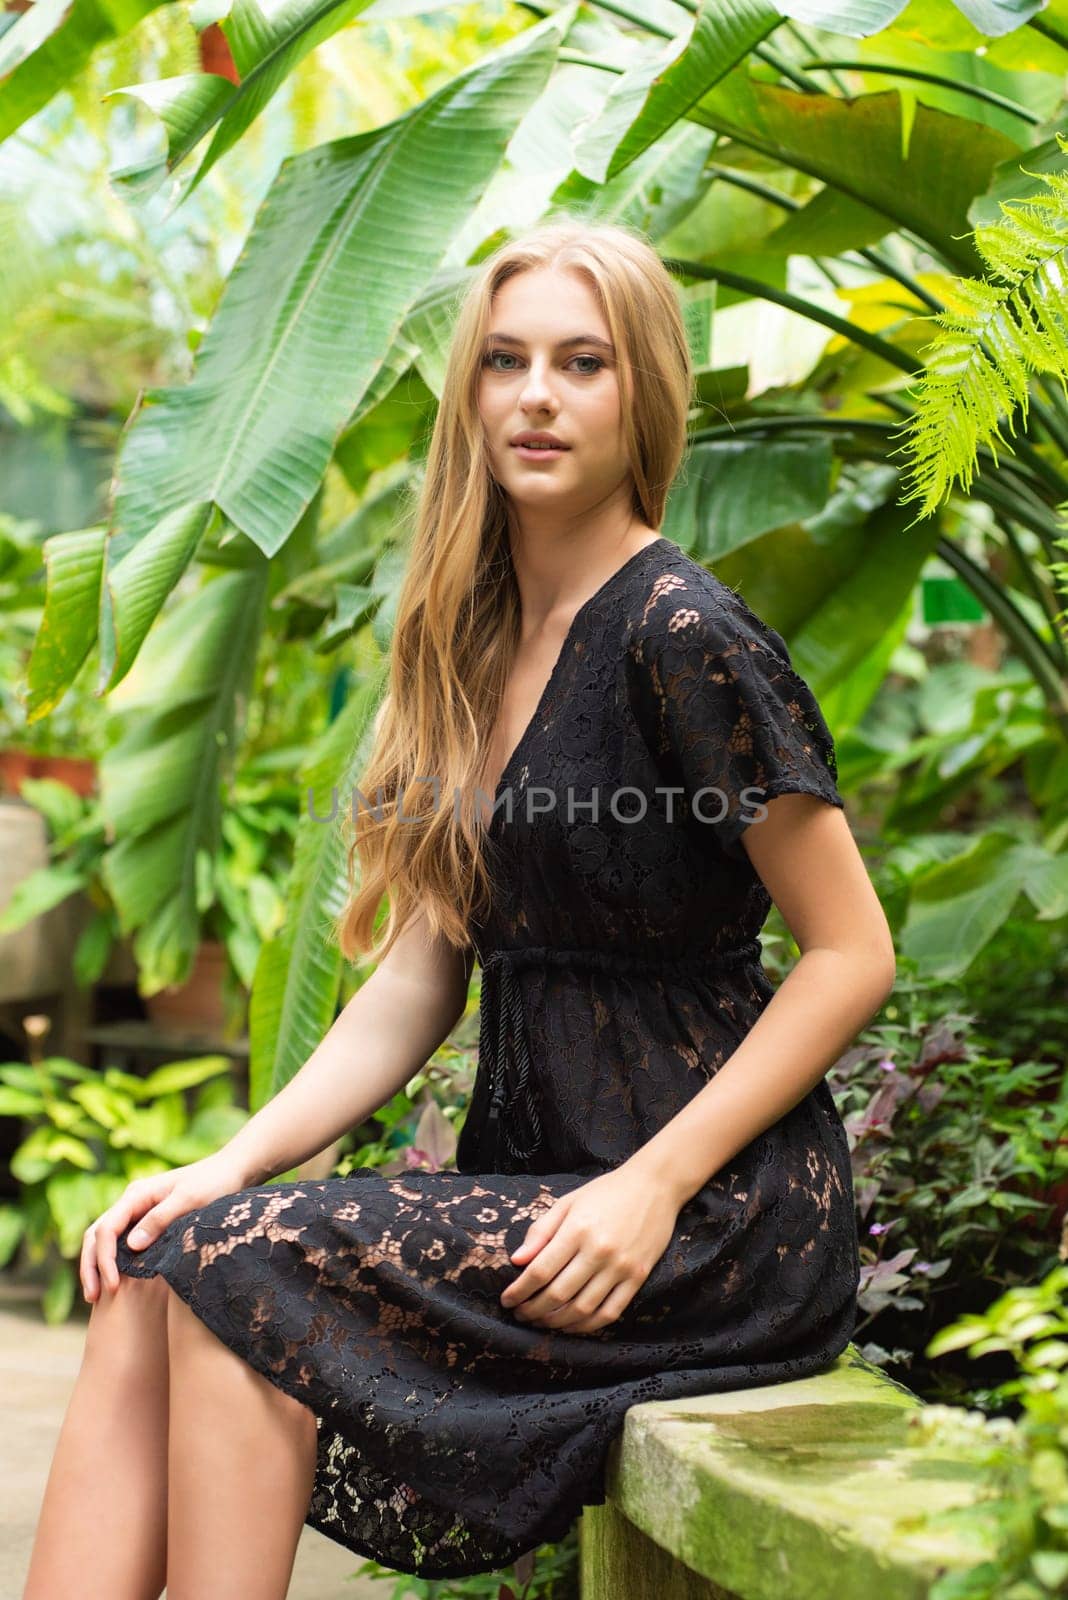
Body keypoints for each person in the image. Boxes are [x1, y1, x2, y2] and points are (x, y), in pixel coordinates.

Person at [23, 217, 895, 1599]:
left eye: (582, 363)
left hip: (708, 1216)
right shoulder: (473, 639)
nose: (537, 396)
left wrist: (652, 1186)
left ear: (643, 393)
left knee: (249, 1276)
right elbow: (420, 980)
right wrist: (231, 1159)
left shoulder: (685, 635)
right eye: (505, 361)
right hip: (550, 1186)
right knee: (161, 1254)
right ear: (471, 393)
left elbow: (854, 955)